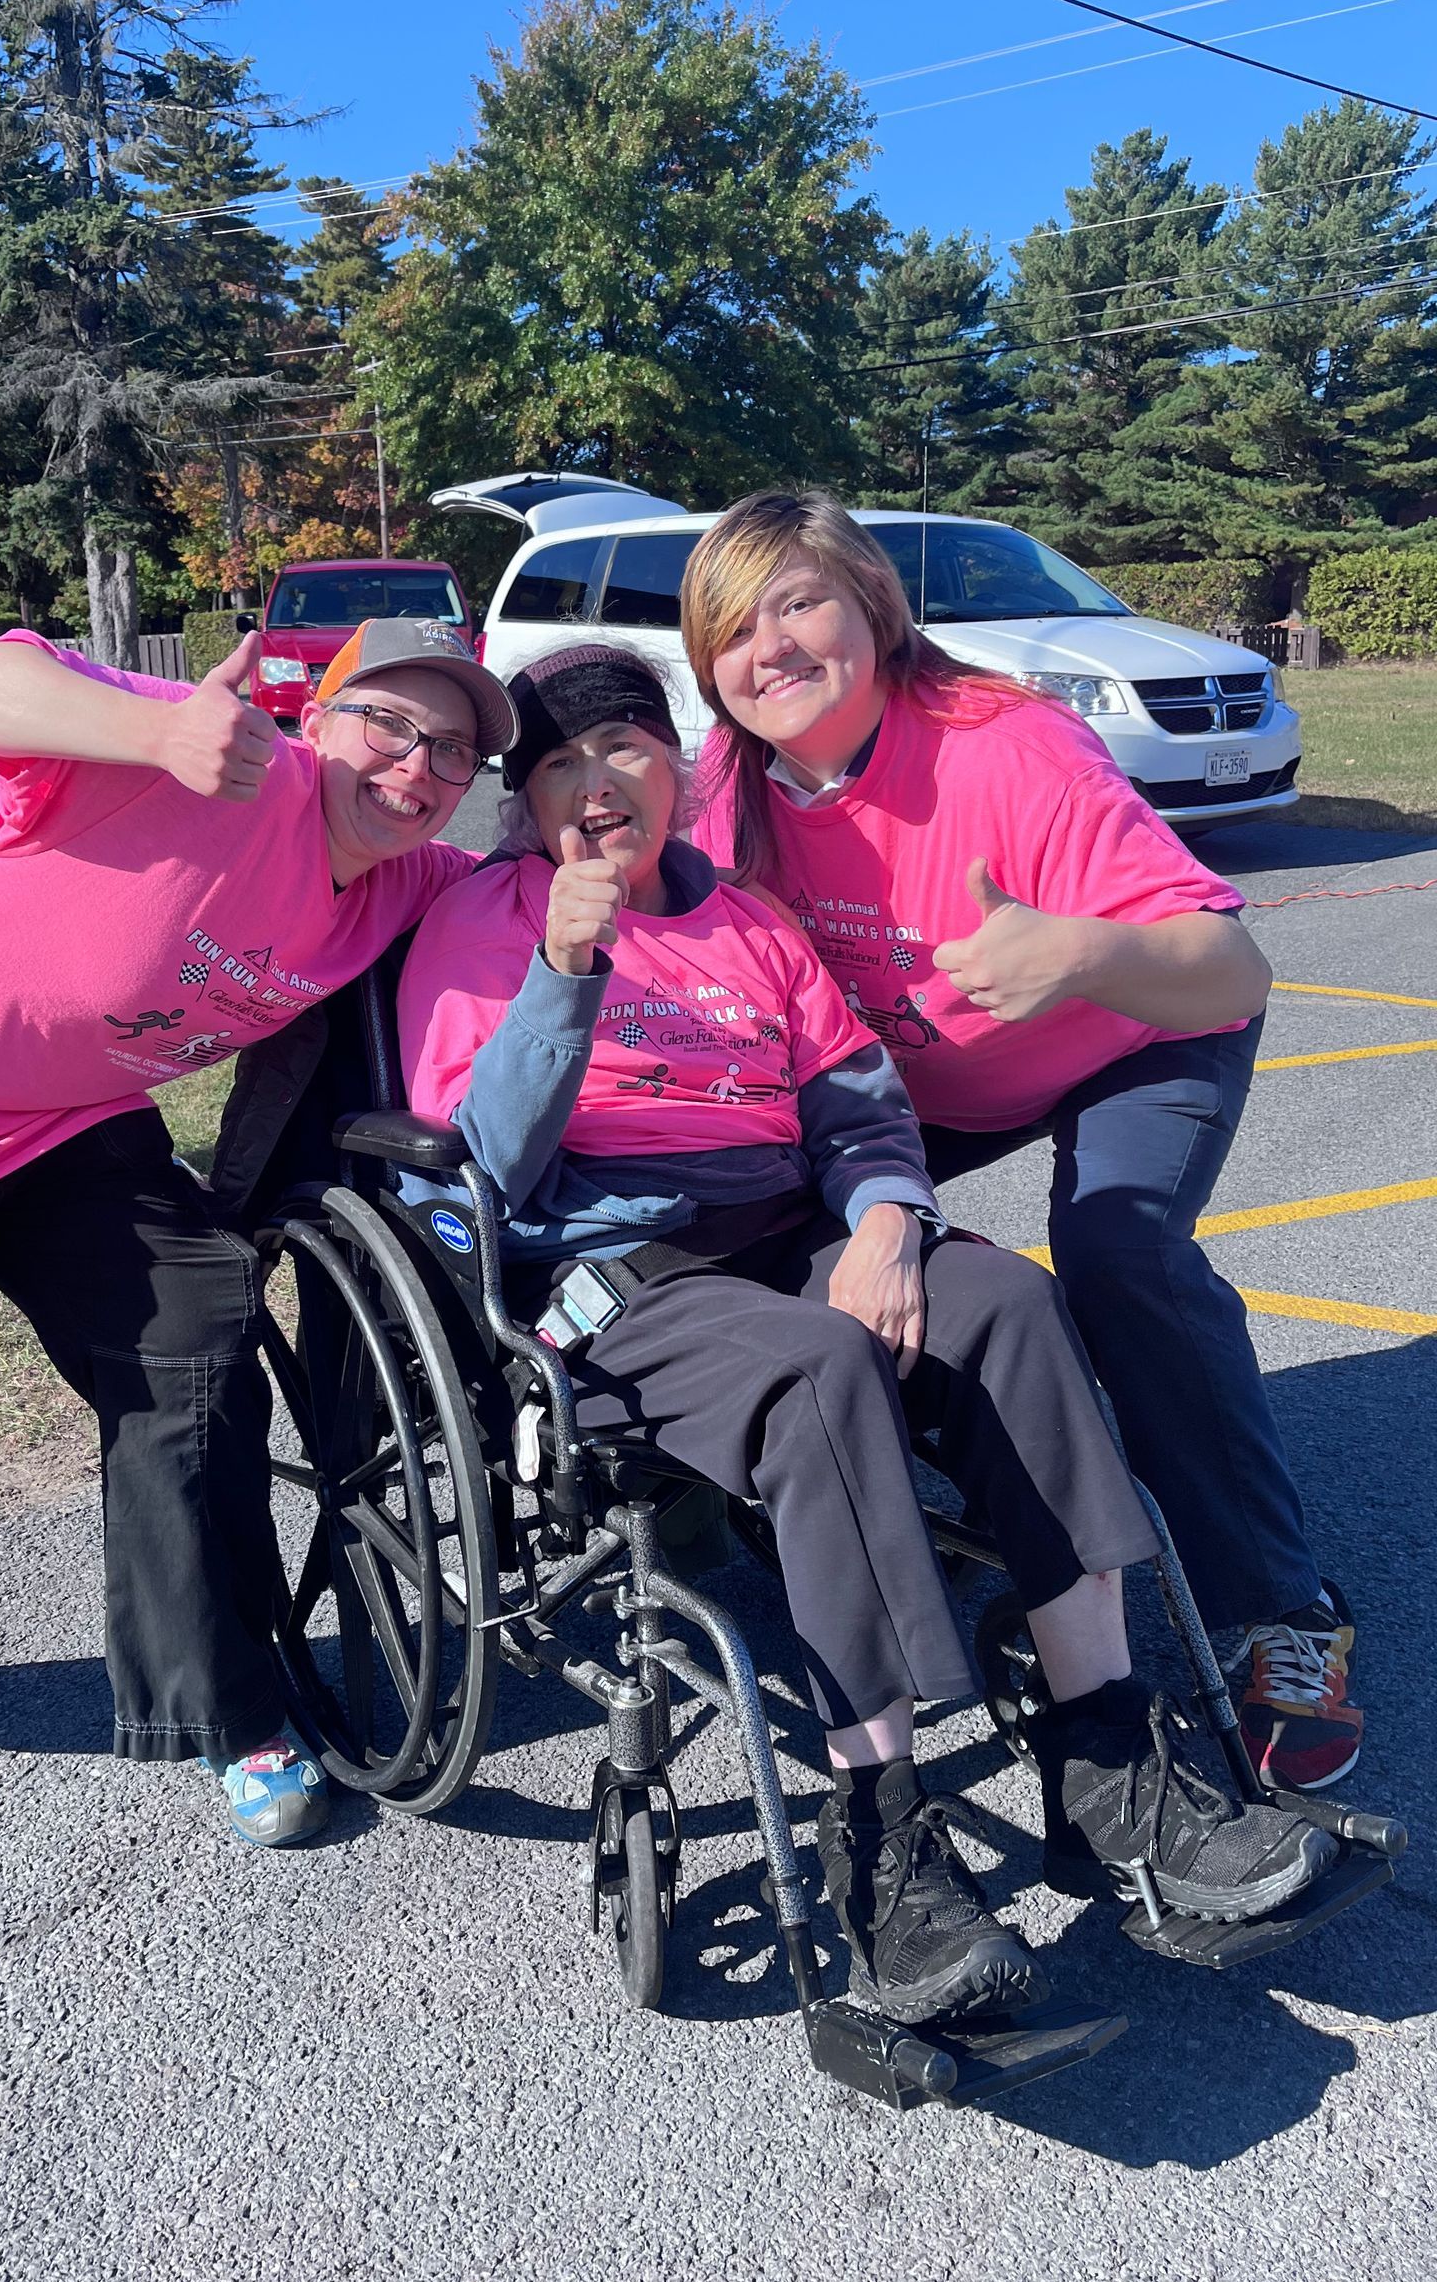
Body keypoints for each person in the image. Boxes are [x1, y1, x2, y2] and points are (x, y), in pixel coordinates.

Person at [396, 643, 1334, 2028]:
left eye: (626, 751)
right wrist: (565, 969)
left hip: (793, 1227)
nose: (598, 786)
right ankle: (883, 1837)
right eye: (557, 768)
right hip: (611, 1268)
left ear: (677, 765)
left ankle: (1106, 1764)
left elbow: (854, 1103)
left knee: (1009, 1298)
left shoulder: (752, 925)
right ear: (524, 805)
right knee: (822, 1365)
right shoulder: (490, 921)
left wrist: (892, 1214)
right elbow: (490, 1169)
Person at [0, 615, 515, 1836]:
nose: (418, 769)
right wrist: (157, 727)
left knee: (196, 1330)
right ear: (315, 717)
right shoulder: (213, 761)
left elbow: (541, 885)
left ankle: (225, 1700)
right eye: (390, 724)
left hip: (48, 1114)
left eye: (454, 755)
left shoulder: (409, 883)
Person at [681, 487, 1360, 1793]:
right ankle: (903, 1487)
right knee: (778, 1218)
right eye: (731, 628)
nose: (768, 648)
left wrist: (1081, 951)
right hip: (920, 1084)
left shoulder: (1011, 749)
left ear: (877, 611)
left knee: (1116, 1251)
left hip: (1133, 1037)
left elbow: (1229, 968)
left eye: (799, 603)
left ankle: (1282, 1610)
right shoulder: (736, 792)